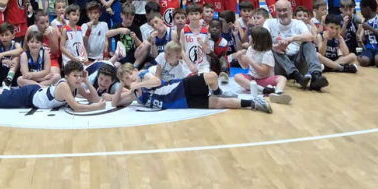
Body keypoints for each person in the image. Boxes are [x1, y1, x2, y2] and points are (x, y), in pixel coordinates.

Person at [0, 60, 106, 112]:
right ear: (67, 77)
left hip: (34, 93)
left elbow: (93, 98)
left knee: (3, 93)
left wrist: (86, 82)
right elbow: (77, 107)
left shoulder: (76, 84)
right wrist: (96, 107)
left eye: (80, 76)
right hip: (29, 96)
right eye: (76, 76)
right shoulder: (64, 86)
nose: (78, 79)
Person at [115, 63, 271, 113]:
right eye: (126, 78)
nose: (130, 78)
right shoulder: (136, 95)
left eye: (131, 74)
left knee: (211, 76)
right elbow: (116, 103)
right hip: (183, 103)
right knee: (218, 104)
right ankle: (252, 103)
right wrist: (123, 84)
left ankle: (218, 91)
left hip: (182, 87)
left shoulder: (144, 77)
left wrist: (137, 83)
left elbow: (156, 81)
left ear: (136, 71)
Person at [264, 0, 328, 91]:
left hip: (298, 62)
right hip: (280, 65)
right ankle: (297, 77)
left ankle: (316, 75)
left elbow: (310, 37)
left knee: (308, 44)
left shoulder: (298, 23)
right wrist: (275, 47)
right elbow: (261, 39)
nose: (282, 13)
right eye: (279, 10)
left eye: (284, 10)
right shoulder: (269, 22)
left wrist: (291, 38)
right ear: (275, 11)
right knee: (273, 49)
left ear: (291, 10)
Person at [232, 26, 292, 104]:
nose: (249, 37)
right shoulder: (250, 49)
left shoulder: (267, 53)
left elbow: (264, 72)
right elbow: (244, 67)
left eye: (251, 36)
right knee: (237, 76)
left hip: (265, 79)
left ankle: (278, 93)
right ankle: (262, 90)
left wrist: (250, 61)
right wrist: (239, 58)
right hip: (253, 80)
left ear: (256, 40)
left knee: (282, 78)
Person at [24, 9, 62, 77]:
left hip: (51, 59)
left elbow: (55, 52)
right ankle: (42, 81)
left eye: (47, 22)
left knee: (56, 75)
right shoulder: (31, 29)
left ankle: (41, 81)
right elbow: (25, 48)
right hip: (34, 59)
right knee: (24, 77)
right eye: (42, 23)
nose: (46, 25)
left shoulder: (53, 30)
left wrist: (50, 38)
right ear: (35, 23)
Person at [0, 22, 23, 88]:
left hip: (12, 73)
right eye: (2, 35)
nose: (4, 37)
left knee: (16, 57)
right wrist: (2, 60)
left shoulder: (15, 44)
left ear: (13, 35)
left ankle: (8, 80)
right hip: (0, 72)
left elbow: (20, 50)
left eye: (7, 35)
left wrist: (2, 54)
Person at [181, 4, 210, 74]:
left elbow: (208, 51)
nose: (194, 16)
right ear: (187, 16)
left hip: (202, 66)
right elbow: (181, 50)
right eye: (191, 14)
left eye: (196, 14)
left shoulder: (205, 31)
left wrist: (203, 45)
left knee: (210, 78)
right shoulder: (184, 31)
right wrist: (190, 65)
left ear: (201, 15)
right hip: (188, 66)